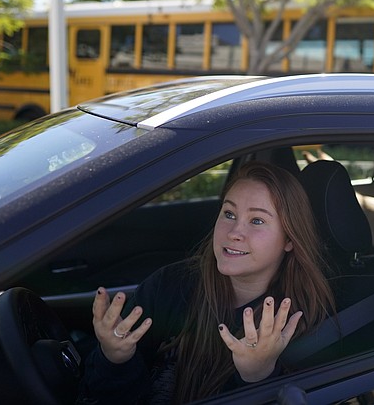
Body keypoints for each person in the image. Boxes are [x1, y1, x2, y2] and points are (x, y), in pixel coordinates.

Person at [78, 161, 335, 404]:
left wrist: (259, 377)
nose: (234, 232)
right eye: (229, 213)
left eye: (257, 221)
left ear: (289, 239)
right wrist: (114, 358)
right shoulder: (170, 285)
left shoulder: (305, 322)